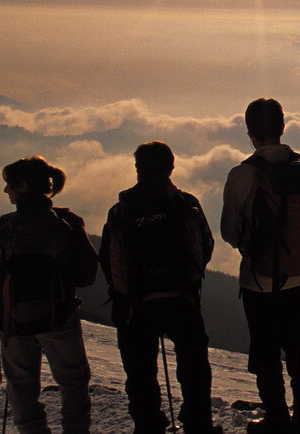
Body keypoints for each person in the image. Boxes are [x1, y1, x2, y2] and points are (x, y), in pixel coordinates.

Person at [221, 98, 300, 434]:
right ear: (283, 128)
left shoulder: (243, 174)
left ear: (250, 132)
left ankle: (278, 418)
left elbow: (228, 232)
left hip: (260, 278)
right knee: (298, 342)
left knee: (266, 348)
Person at [99, 141, 222, 434]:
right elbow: (204, 247)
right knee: (193, 366)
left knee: (140, 371)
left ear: (138, 168)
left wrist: (125, 298)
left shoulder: (121, 210)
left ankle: (148, 424)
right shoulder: (185, 204)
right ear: (171, 167)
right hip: (182, 299)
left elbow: (109, 258)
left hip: (136, 305)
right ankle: (198, 423)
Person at [0, 156, 98, 434]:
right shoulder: (68, 224)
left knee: (22, 386)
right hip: (60, 318)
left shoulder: (3, 228)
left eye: (10, 185)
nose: (6, 191)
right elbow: (87, 275)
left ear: (24, 186)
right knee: (73, 382)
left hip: (15, 322)